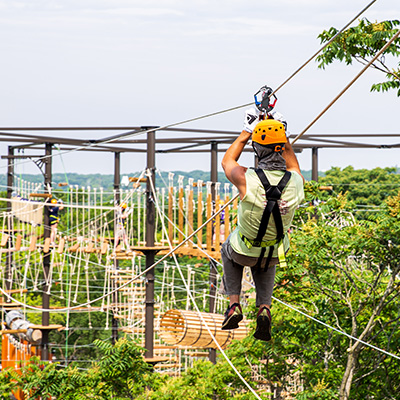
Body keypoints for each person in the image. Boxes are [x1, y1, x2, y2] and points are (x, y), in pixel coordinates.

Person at [220, 107, 304, 341]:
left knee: (227, 250)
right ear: (281, 148)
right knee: (268, 255)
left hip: (243, 250)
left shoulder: (247, 178)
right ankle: (264, 307)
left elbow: (227, 161)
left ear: (257, 149)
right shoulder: (296, 181)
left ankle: (234, 304)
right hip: (276, 252)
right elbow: (293, 165)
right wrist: (282, 135)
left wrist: (247, 130)